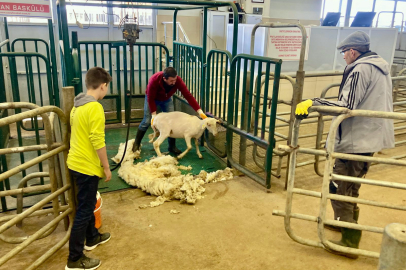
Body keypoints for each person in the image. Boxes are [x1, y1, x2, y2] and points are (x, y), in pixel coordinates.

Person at [295, 31, 394, 258]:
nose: (343, 57)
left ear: (352, 51)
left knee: (339, 187)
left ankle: (350, 240)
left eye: (343, 53)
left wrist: (313, 102)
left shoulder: (360, 69)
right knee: (349, 185)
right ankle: (345, 222)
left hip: (355, 139)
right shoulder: (380, 67)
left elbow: (346, 104)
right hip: (367, 137)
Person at [66, 67, 113, 270]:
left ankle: (92, 237)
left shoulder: (77, 106)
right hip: (86, 166)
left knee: (88, 202)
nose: (106, 91)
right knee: (84, 210)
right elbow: (97, 140)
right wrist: (106, 166)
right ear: (102, 85)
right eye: (107, 87)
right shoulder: (94, 107)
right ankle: (74, 259)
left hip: (76, 162)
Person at [132, 67, 207, 153]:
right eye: (171, 81)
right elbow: (150, 98)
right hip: (152, 99)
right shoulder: (154, 79)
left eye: (175, 80)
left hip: (166, 99)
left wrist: (199, 111)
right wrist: (154, 115)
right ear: (164, 78)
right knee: (147, 121)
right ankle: (136, 143)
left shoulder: (177, 80)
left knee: (172, 122)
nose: (174, 82)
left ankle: (171, 147)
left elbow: (188, 96)